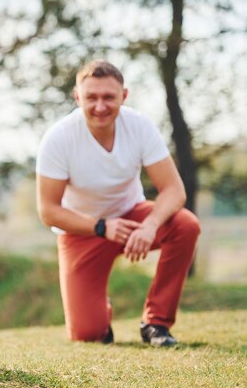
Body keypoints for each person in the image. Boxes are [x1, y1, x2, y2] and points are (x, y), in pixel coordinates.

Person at [35, 60, 200, 347]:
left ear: (124, 96)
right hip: (82, 230)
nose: (100, 106)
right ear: (77, 97)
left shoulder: (139, 126)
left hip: (132, 217)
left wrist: (149, 226)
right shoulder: (58, 138)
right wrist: (101, 227)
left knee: (186, 225)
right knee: (87, 334)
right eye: (91, 97)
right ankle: (98, 308)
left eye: (109, 97)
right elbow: (48, 211)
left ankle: (156, 323)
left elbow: (174, 190)